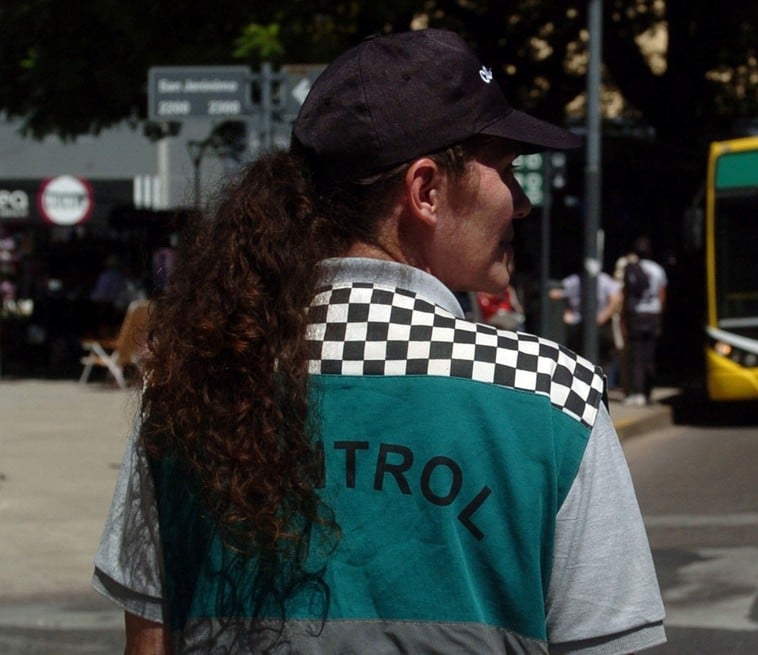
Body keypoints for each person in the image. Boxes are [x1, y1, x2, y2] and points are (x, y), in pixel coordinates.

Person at [92, 29, 666, 654]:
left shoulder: (194, 382)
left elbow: (149, 643)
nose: (522, 203)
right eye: (505, 170)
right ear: (426, 191)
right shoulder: (556, 397)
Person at [618, 236, 668, 406]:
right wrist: (659, 318)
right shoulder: (658, 270)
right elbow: (662, 296)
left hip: (636, 316)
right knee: (649, 355)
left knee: (636, 355)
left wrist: (623, 319)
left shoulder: (631, 269)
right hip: (652, 315)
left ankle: (637, 392)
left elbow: (625, 296)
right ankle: (647, 391)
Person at [550, 269, 622, 372]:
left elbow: (555, 293)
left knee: (600, 358)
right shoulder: (576, 280)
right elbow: (555, 293)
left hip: (595, 326)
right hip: (581, 325)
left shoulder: (602, 280)